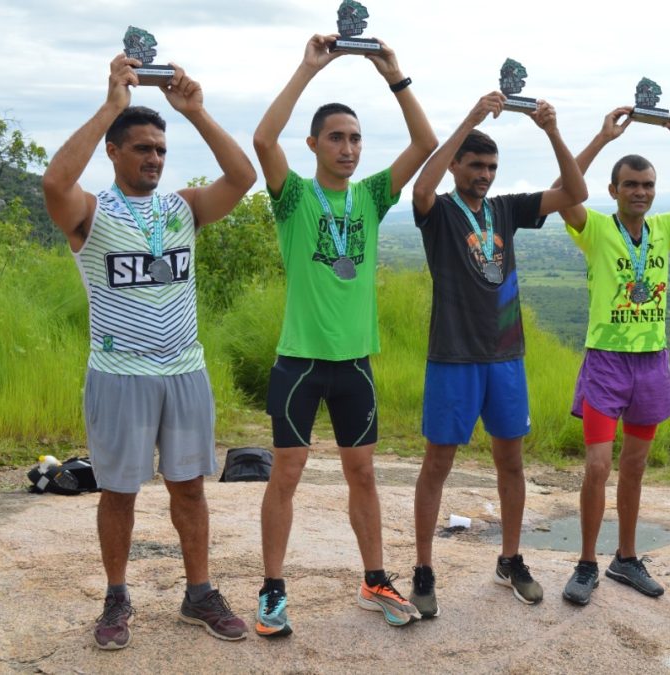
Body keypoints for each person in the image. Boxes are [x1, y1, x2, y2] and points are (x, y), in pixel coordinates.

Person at [41, 55, 257, 649]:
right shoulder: (91, 213)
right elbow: (55, 184)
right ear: (114, 152)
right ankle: (115, 598)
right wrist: (111, 105)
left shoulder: (181, 208)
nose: (154, 158)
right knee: (119, 491)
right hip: (119, 373)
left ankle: (199, 593)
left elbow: (242, 179)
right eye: (141, 148)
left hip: (185, 368)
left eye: (159, 149)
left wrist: (195, 111)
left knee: (189, 486)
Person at [252, 34, 437, 635]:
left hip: (354, 361)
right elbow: (261, 139)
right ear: (314, 144)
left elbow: (426, 144)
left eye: (356, 138)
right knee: (287, 473)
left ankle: (374, 579)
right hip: (300, 361)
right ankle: (273, 589)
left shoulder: (371, 198)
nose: (348, 148)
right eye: (336, 137)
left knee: (363, 473)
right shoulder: (294, 199)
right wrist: (308, 69)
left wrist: (396, 74)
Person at [408, 91, 588, 617]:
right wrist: (469, 118)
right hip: (453, 356)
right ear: (457, 165)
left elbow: (575, 189)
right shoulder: (439, 212)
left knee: (511, 461)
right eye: (475, 164)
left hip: (506, 357)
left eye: (491, 166)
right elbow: (421, 185)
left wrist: (552, 130)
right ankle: (423, 569)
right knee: (437, 463)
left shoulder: (505, 210)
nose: (484, 174)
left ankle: (510, 558)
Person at [556, 107, 670, 605]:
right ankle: (587, 562)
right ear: (614, 190)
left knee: (635, 466)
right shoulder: (593, 228)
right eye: (631, 184)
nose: (640, 192)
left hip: (652, 361)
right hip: (606, 362)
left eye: (648, 185)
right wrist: (599, 138)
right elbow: (563, 193)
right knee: (598, 467)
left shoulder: (664, 229)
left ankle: (627, 559)